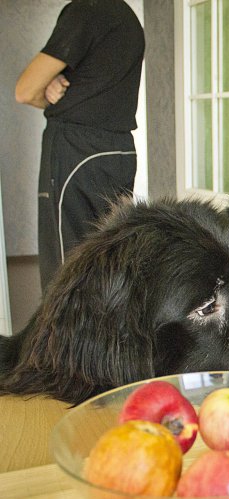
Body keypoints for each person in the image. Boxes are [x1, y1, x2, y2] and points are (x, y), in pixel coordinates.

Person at [15, 0, 145, 292]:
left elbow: (24, 90)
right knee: (110, 263)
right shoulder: (128, 19)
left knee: (66, 274)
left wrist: (46, 93)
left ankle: (66, 339)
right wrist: (52, 85)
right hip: (120, 150)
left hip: (77, 151)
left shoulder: (85, 10)